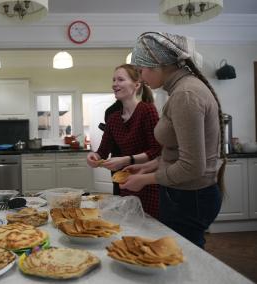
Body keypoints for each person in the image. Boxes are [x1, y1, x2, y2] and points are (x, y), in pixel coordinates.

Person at [121, 32, 225, 248]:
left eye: (141, 71)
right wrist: (148, 167)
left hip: (189, 197)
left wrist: (145, 180)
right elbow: (178, 152)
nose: (140, 78)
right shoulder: (182, 89)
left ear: (158, 65)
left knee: (183, 262)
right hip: (186, 195)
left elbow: (192, 167)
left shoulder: (186, 95)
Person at [87, 64, 161, 218]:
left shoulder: (147, 110)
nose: (115, 84)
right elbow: (102, 151)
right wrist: (94, 157)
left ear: (136, 85)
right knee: (129, 226)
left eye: (120, 79)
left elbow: (156, 150)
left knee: (149, 229)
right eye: (114, 80)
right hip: (125, 182)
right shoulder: (114, 118)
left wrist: (127, 160)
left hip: (148, 182)